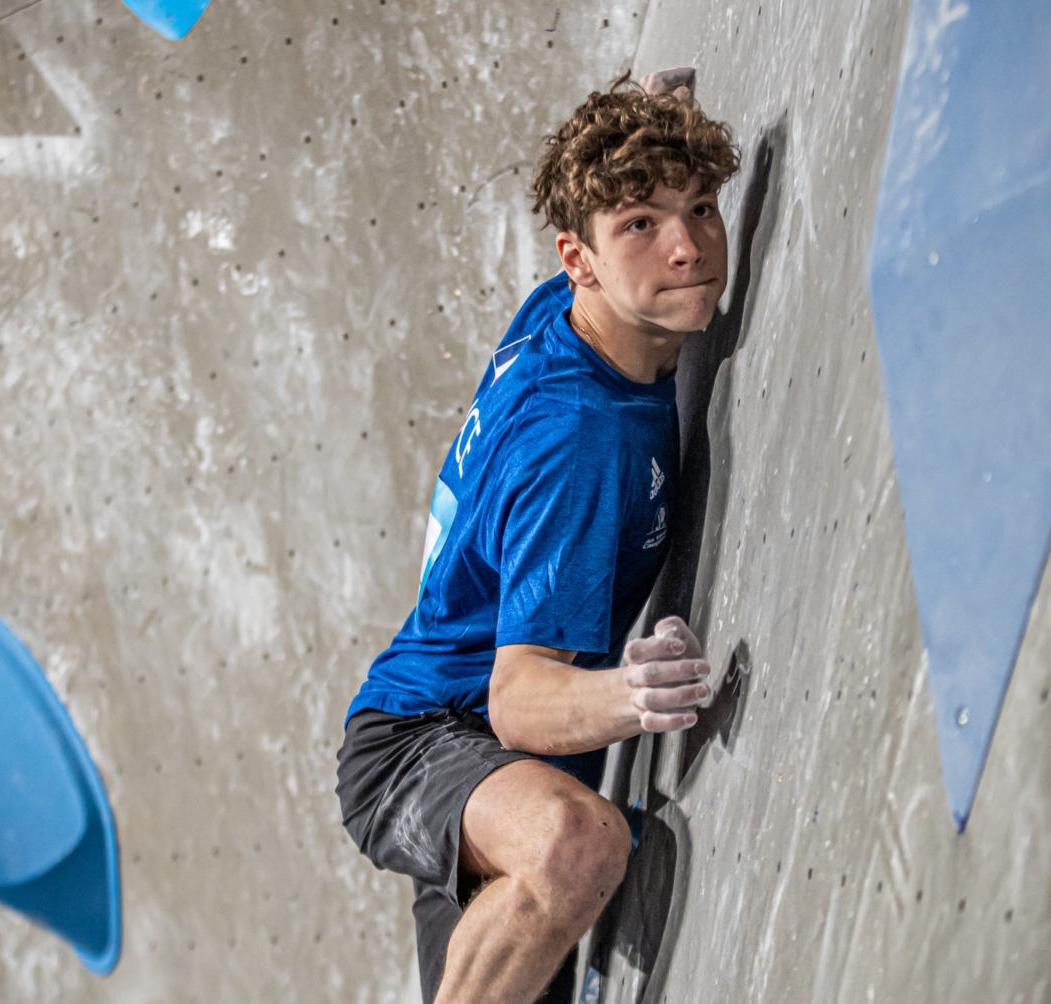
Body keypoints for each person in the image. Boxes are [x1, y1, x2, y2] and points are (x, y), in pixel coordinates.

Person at [335, 72, 740, 1004]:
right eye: (641, 223)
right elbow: (519, 701)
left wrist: (645, 120)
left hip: (484, 750)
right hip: (427, 742)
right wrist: (634, 693)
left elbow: (609, 207)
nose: (689, 247)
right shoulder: (580, 439)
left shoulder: (561, 315)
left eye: (704, 209)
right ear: (579, 258)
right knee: (577, 843)